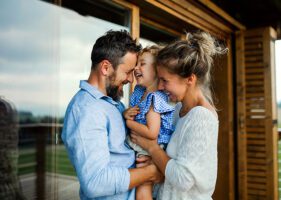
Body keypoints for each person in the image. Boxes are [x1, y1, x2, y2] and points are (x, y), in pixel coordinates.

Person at [61, 30, 163, 200]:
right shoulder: (87, 110)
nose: (131, 79)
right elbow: (95, 182)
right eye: (128, 71)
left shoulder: (113, 104)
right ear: (106, 67)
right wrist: (151, 172)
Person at [131, 31, 227, 200]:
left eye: (165, 80)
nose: (159, 87)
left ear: (190, 79)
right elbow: (170, 164)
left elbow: (183, 179)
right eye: (158, 79)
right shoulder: (177, 110)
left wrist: (152, 148)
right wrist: (156, 166)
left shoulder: (201, 118)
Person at [123, 46, 175, 200]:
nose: (136, 67)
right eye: (137, 63)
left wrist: (128, 123)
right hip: (140, 144)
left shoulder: (155, 98)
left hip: (148, 147)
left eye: (142, 63)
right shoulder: (139, 92)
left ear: (157, 72)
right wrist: (126, 113)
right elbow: (133, 111)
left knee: (143, 188)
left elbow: (152, 132)